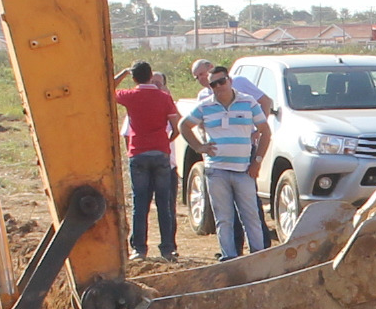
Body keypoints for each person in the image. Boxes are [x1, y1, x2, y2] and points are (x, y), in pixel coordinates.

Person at [184, 63, 272, 260]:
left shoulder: (248, 102)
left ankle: (258, 257)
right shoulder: (205, 106)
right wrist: (199, 147)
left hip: (243, 168)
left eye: (222, 81)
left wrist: (257, 161)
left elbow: (266, 131)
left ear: (230, 81)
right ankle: (229, 258)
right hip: (216, 170)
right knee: (223, 218)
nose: (219, 87)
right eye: (213, 84)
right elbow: (184, 125)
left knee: (251, 215)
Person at [114, 62, 182, 260]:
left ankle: (139, 249)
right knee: (164, 202)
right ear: (151, 76)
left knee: (140, 203)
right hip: (161, 153)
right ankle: (168, 248)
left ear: (134, 78)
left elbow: (108, 88)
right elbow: (176, 126)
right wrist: (166, 141)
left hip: (138, 152)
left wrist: (123, 73)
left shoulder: (130, 96)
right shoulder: (164, 97)